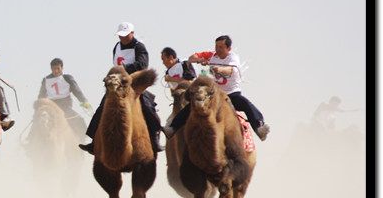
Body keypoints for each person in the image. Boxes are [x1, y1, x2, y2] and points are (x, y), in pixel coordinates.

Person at [162, 35, 270, 141]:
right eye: (216, 47)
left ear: (229, 48)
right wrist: (200, 60)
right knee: (192, 106)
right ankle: (172, 128)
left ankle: (259, 127)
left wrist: (219, 69)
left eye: (221, 47)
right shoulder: (212, 55)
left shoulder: (232, 58)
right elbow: (191, 58)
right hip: (215, 95)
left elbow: (230, 70)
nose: (217, 50)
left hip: (231, 94)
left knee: (246, 104)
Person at [78, 22, 163, 154]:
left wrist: (124, 69)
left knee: (148, 107)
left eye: (125, 35)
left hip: (134, 84)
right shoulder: (116, 47)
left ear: (132, 33)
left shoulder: (139, 46)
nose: (122, 38)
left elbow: (142, 64)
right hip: (117, 85)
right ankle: (94, 141)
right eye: (120, 35)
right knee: (102, 108)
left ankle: (154, 139)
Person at [37, 58, 93, 140]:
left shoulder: (67, 78)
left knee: (80, 120)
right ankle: (30, 140)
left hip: (65, 108)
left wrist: (84, 102)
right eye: (53, 69)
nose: (55, 71)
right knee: (37, 121)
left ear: (62, 68)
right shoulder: (46, 80)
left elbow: (77, 91)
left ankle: (82, 142)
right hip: (51, 107)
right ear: (51, 69)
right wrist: (39, 107)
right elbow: (41, 95)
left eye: (58, 69)